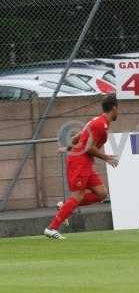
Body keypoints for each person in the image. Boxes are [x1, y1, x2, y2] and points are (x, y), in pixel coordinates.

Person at [44, 94, 119, 239]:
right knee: (77, 196)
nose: (118, 112)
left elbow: (77, 137)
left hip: (83, 161)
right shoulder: (100, 125)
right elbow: (89, 147)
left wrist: (67, 149)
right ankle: (51, 228)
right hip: (80, 161)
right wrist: (106, 157)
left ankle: (65, 207)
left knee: (101, 193)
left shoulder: (97, 121)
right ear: (114, 108)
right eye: (118, 109)